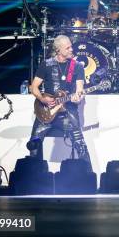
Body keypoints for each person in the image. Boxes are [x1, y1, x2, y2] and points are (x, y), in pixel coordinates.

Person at [27, 35, 91, 166]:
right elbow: (34, 87)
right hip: (46, 112)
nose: (71, 49)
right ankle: (34, 179)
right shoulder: (46, 64)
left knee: (81, 146)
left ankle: (89, 178)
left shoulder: (77, 66)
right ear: (58, 50)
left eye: (71, 46)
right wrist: (42, 99)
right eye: (67, 48)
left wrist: (77, 98)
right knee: (34, 145)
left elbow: (80, 90)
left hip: (68, 113)